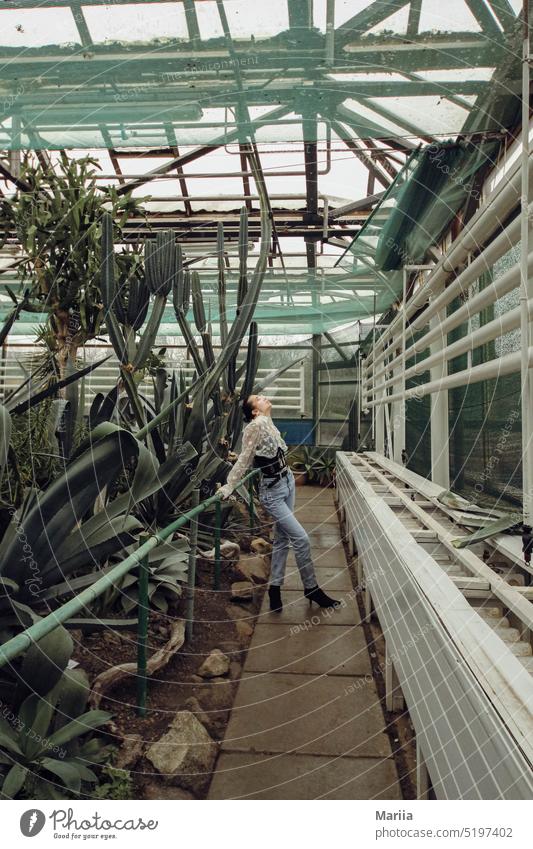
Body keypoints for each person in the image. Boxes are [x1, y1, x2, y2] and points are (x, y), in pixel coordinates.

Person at [217, 394, 340, 612]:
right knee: (301, 539)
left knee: (282, 539)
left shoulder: (267, 422)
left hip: (288, 481)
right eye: (258, 398)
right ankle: (311, 588)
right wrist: (229, 485)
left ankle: (275, 589)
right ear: (254, 411)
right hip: (272, 492)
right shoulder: (254, 427)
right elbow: (245, 459)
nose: (263, 397)